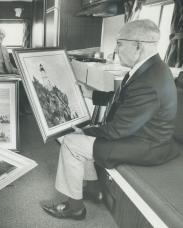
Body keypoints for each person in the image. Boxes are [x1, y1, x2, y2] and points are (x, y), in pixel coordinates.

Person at [40, 19, 178, 220]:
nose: (116, 49)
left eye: (120, 43)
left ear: (137, 46)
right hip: (141, 137)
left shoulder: (149, 81)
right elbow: (124, 98)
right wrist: (92, 94)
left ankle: (75, 208)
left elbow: (116, 131)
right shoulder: (151, 67)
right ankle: (94, 190)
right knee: (82, 137)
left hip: (145, 146)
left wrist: (86, 131)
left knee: (71, 142)